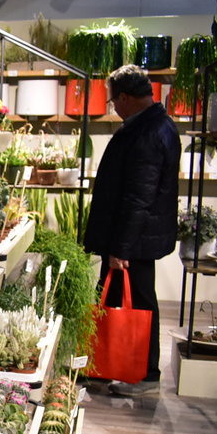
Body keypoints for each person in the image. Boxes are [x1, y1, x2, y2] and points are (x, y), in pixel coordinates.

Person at [83, 64, 182, 396]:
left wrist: (120, 248)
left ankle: (145, 375)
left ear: (125, 97)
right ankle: (104, 366)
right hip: (133, 237)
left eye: (113, 100)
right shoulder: (153, 125)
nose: (114, 107)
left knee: (138, 303)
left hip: (133, 240)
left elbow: (139, 197)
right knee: (114, 299)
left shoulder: (148, 132)